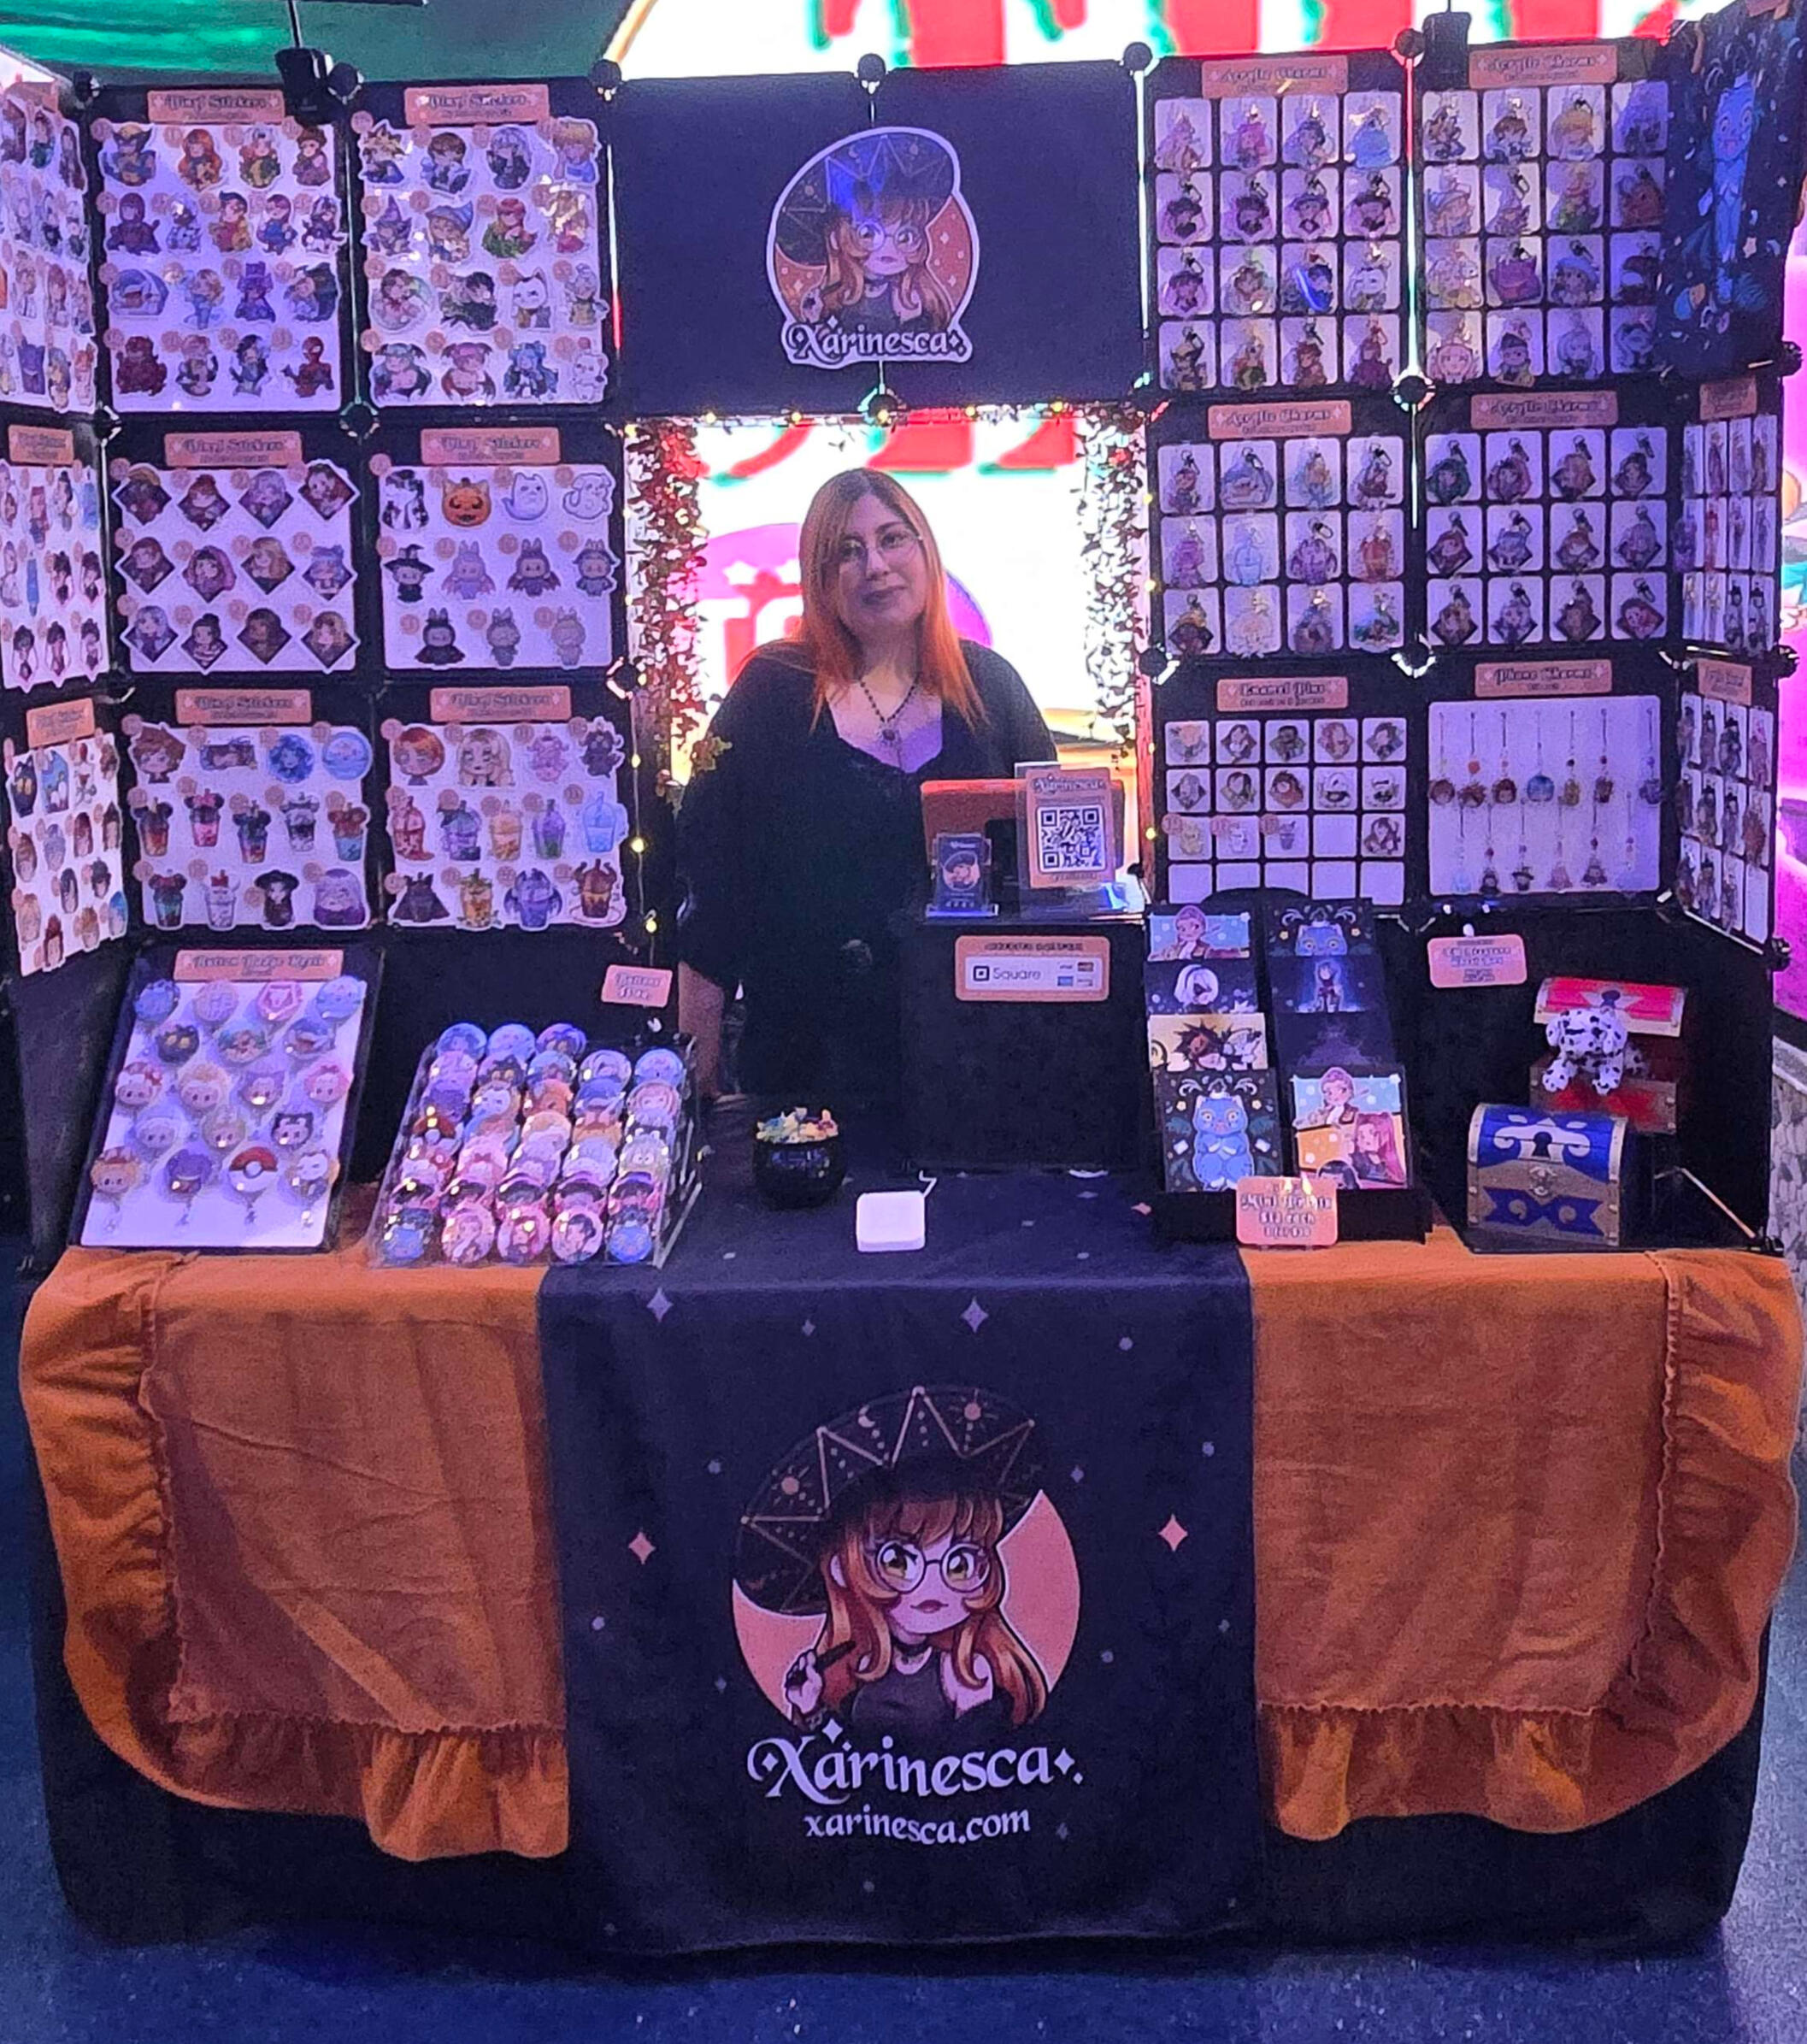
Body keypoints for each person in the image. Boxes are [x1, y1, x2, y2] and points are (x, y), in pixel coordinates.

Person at [677, 471, 1054, 1105]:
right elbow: (711, 891)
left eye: (892, 539)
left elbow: (1057, 881)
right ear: (818, 577)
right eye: (846, 552)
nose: (874, 566)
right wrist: (699, 1069)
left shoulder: (993, 688)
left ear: (926, 550)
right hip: (805, 1067)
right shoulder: (769, 693)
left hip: (981, 1061)